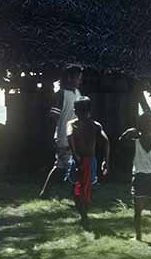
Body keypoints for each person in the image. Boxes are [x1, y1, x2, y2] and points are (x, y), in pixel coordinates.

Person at [120, 114, 151, 244]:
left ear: (139, 128)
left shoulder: (134, 143)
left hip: (140, 177)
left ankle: (138, 236)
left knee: (138, 211)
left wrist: (129, 132)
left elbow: (120, 141)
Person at [40, 66, 83, 197]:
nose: (80, 81)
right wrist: (53, 137)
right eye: (78, 78)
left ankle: (71, 192)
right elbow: (53, 117)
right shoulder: (61, 94)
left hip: (75, 136)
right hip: (64, 137)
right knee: (62, 166)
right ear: (70, 78)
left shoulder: (77, 93)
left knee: (69, 165)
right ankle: (47, 192)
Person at [66, 97, 110, 225]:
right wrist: (106, 160)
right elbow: (106, 141)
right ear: (90, 111)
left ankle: (83, 214)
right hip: (90, 160)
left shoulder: (72, 124)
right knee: (86, 187)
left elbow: (69, 136)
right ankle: (84, 214)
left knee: (76, 188)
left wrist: (75, 154)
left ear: (75, 110)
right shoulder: (96, 125)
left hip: (79, 160)